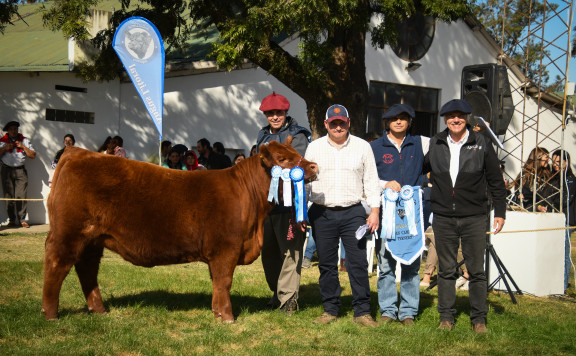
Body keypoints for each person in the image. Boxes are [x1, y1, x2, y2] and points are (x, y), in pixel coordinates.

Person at [423, 99, 506, 334]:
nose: (455, 120)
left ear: (467, 118)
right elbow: (419, 167)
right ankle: (446, 318)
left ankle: (479, 319)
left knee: (476, 270)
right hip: (443, 217)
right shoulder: (436, 142)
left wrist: (500, 211)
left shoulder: (481, 141)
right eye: (451, 116)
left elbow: (495, 180)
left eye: (460, 116)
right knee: (446, 270)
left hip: (474, 216)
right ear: (445, 119)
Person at [305, 104, 380, 327]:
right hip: (322, 213)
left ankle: (362, 312)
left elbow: (372, 181)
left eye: (342, 122)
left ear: (349, 123)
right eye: (333, 123)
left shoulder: (362, 147)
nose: (338, 127)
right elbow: (306, 182)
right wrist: (301, 211)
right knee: (326, 264)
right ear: (326, 124)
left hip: (353, 213)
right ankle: (330, 309)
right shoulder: (314, 148)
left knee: (356, 263)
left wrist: (374, 211)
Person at [370, 103, 429, 325]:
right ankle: (387, 310)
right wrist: (384, 184)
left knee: (412, 264)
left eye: (403, 118)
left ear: (409, 121)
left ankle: (408, 312)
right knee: (385, 265)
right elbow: (366, 179)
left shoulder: (420, 144)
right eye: (394, 118)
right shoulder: (375, 146)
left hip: (413, 215)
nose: (398, 121)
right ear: (387, 121)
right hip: (386, 215)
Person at [256, 91, 311, 313]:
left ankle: (289, 300)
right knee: (268, 253)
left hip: (289, 205)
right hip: (266, 205)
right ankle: (277, 293)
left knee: (290, 252)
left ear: (286, 113)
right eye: (270, 113)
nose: (275, 117)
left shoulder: (298, 136)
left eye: (278, 113)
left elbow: (295, 165)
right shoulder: (261, 135)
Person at [0, 121, 36, 228]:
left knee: (21, 195)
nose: (14, 131)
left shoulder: (24, 140)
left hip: (20, 170)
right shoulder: (2, 141)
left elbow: (33, 155)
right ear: (8, 131)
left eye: (15, 129)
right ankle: (11, 219)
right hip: (6, 170)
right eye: (11, 129)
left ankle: (22, 220)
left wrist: (23, 146)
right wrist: (5, 148)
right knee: (8, 196)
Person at [550, 150, 576, 292]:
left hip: (566, 220)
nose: (555, 165)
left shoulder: (570, 179)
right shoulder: (554, 177)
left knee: (564, 253)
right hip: (554, 219)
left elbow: (566, 199)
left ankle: (563, 284)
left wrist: (550, 202)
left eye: (559, 162)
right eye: (554, 162)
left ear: (566, 162)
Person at [509, 147, 552, 212]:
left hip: (542, 211)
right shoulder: (527, 174)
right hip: (527, 211)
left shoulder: (546, 173)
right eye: (546, 157)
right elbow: (525, 196)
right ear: (538, 157)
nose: (548, 160)